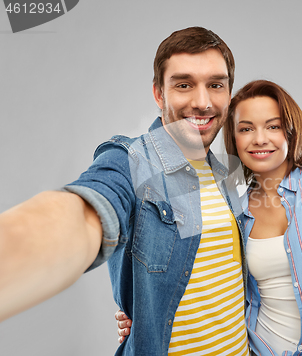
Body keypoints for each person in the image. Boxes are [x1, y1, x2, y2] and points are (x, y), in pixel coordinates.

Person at [0, 27, 250, 356]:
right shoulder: (131, 161)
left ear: (229, 95)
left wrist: (145, 305)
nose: (202, 102)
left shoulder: (229, 172)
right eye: (184, 84)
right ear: (159, 94)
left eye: (215, 85)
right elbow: (90, 207)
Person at [117, 80, 302, 355]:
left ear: (290, 131)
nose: (259, 139)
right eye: (246, 129)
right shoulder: (232, 205)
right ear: (234, 138)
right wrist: (138, 310)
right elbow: (199, 274)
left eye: (273, 126)